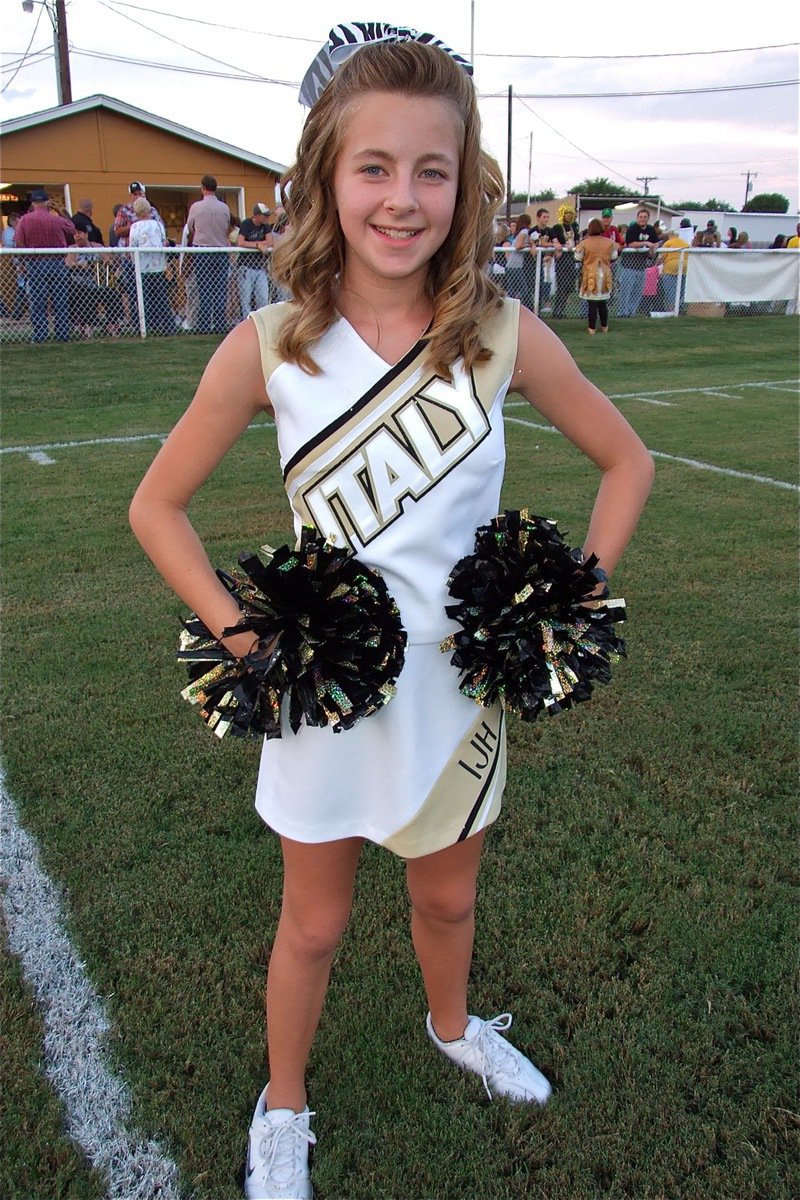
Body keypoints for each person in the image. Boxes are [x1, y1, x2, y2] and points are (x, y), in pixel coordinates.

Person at [129, 25, 654, 1200]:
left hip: (458, 689)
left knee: (447, 894)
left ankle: (452, 1026)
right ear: (325, 176)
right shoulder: (271, 345)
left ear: (466, 187)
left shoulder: (500, 336)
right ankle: (284, 1102)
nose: (402, 199)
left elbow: (627, 462)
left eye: (431, 171)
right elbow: (155, 507)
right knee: (311, 926)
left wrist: (555, 606)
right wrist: (246, 639)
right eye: (373, 168)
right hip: (327, 692)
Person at [13, 189, 75, 342]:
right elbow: (72, 228)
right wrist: (60, 211)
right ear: (47, 202)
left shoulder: (25, 220)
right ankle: (62, 334)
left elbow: (19, 241)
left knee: (38, 301)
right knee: (60, 300)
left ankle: (40, 335)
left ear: (33, 203)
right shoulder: (56, 220)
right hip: (57, 263)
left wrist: (24, 259)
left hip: (35, 263)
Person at [185, 174, 233, 334]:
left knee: (204, 289)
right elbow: (227, 227)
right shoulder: (224, 208)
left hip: (203, 251)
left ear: (203, 188)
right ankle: (220, 325)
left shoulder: (196, 207)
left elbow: (190, 227)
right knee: (220, 289)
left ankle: (204, 325)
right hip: (221, 252)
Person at [129, 195, 172, 334]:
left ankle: (144, 326)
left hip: (142, 267)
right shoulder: (158, 225)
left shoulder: (135, 227)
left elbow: (132, 246)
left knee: (144, 298)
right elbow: (164, 242)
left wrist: (134, 263)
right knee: (161, 297)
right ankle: (168, 326)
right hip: (158, 266)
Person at [574, 217, 617, 333]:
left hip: (590, 275)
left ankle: (592, 328)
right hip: (605, 274)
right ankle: (604, 326)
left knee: (592, 304)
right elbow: (614, 257)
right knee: (603, 303)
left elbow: (577, 257)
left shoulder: (584, 243)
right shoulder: (609, 242)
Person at [617, 208, 658, 318]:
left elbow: (655, 243)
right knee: (626, 291)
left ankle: (632, 312)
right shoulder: (633, 228)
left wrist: (652, 249)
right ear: (637, 218)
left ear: (648, 218)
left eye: (645, 217)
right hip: (629, 265)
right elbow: (630, 244)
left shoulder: (651, 229)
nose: (642, 219)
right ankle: (622, 312)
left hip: (642, 266)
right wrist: (646, 243)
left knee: (637, 291)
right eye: (640, 217)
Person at [237, 203, 273, 314]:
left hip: (260, 267)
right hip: (246, 267)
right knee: (246, 299)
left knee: (263, 298)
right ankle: (246, 320)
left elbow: (270, 241)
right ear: (257, 215)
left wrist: (261, 244)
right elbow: (240, 242)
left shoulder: (265, 226)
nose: (267, 218)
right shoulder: (246, 224)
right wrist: (257, 245)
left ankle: (262, 319)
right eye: (264, 215)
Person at [549, 203, 579, 318]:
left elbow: (577, 241)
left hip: (571, 258)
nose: (569, 215)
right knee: (562, 285)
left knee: (570, 285)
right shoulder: (557, 227)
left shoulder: (574, 227)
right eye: (566, 213)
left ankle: (562, 308)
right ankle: (557, 311)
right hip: (562, 259)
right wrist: (562, 246)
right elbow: (554, 240)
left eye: (570, 213)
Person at [658, 228, 690, 311]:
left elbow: (662, 256)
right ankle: (679, 307)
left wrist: (657, 263)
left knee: (670, 290)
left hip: (670, 267)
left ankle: (671, 309)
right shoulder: (685, 243)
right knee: (681, 289)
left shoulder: (668, 243)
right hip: (684, 266)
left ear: (669, 235)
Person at [502, 212, 531, 304]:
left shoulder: (519, 233)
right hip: (515, 265)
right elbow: (518, 246)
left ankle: (512, 305)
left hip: (511, 265)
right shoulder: (524, 232)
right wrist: (527, 245)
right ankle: (518, 304)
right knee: (523, 289)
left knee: (512, 289)